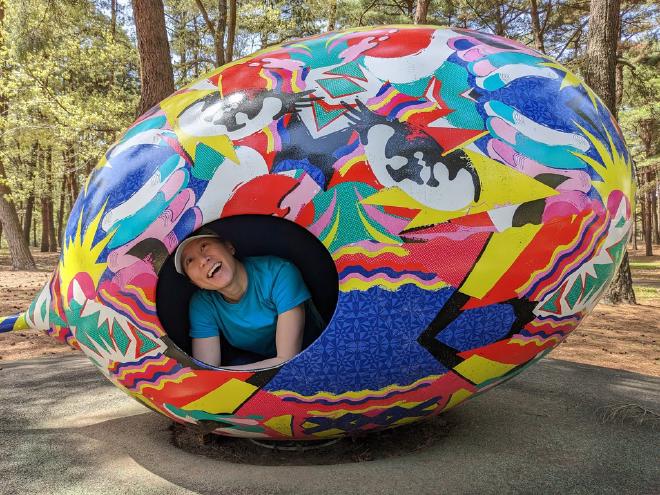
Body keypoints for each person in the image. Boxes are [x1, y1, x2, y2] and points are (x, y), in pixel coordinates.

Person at [174, 233, 318, 370]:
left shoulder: (279, 272)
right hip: (258, 359)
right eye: (190, 261)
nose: (203, 260)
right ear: (195, 283)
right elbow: (206, 371)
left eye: (204, 246)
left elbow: (286, 361)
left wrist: (219, 376)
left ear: (229, 247)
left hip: (315, 351)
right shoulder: (203, 304)